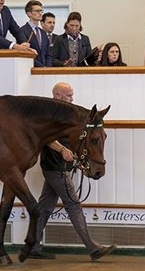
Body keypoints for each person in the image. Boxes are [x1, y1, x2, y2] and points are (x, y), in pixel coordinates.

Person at [29, 82, 116, 262]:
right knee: (73, 204)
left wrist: (76, 159)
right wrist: (62, 150)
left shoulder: (67, 114)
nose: (72, 98)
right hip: (55, 167)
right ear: (58, 95)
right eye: (69, 95)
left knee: (44, 207)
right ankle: (93, 248)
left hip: (59, 167)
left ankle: (33, 246)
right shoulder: (48, 114)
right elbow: (46, 139)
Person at [20, 0, 52, 67]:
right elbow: (25, 53)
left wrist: (48, 68)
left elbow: (48, 54)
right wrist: (41, 67)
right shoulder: (22, 31)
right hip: (30, 68)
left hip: (45, 71)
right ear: (29, 14)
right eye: (37, 11)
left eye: (41, 11)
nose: (40, 13)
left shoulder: (43, 32)